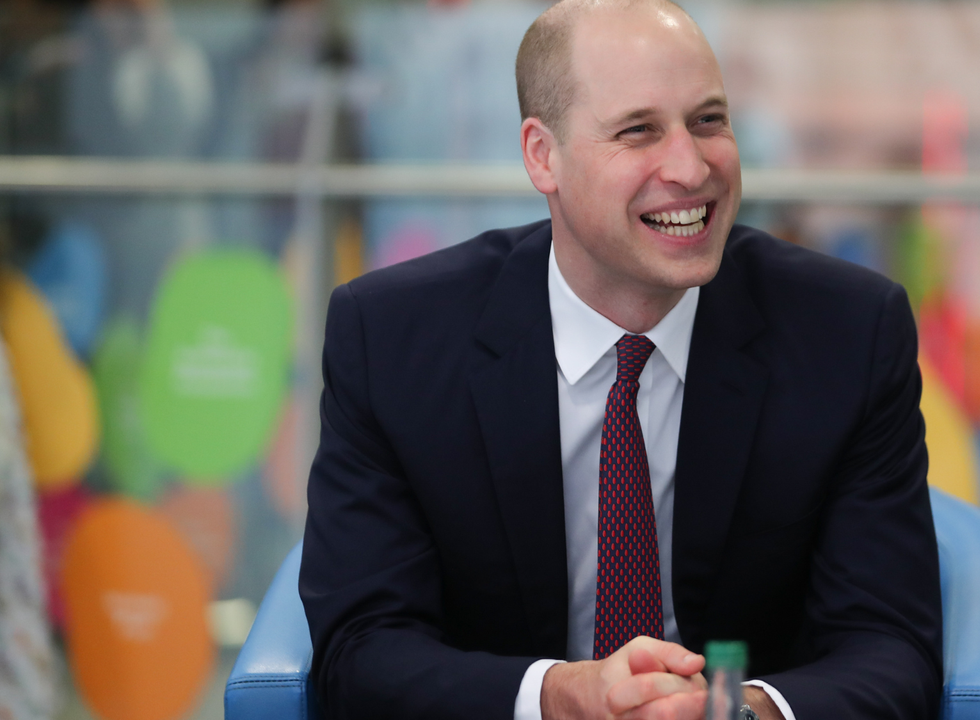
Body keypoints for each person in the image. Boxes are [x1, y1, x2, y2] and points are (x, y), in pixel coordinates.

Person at [299, 0, 943, 718]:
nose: (691, 166)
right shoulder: (392, 339)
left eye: (708, 121)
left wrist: (735, 711)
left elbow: (891, 645)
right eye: (639, 130)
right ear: (543, 155)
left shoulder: (848, 331)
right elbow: (361, 649)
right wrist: (558, 696)